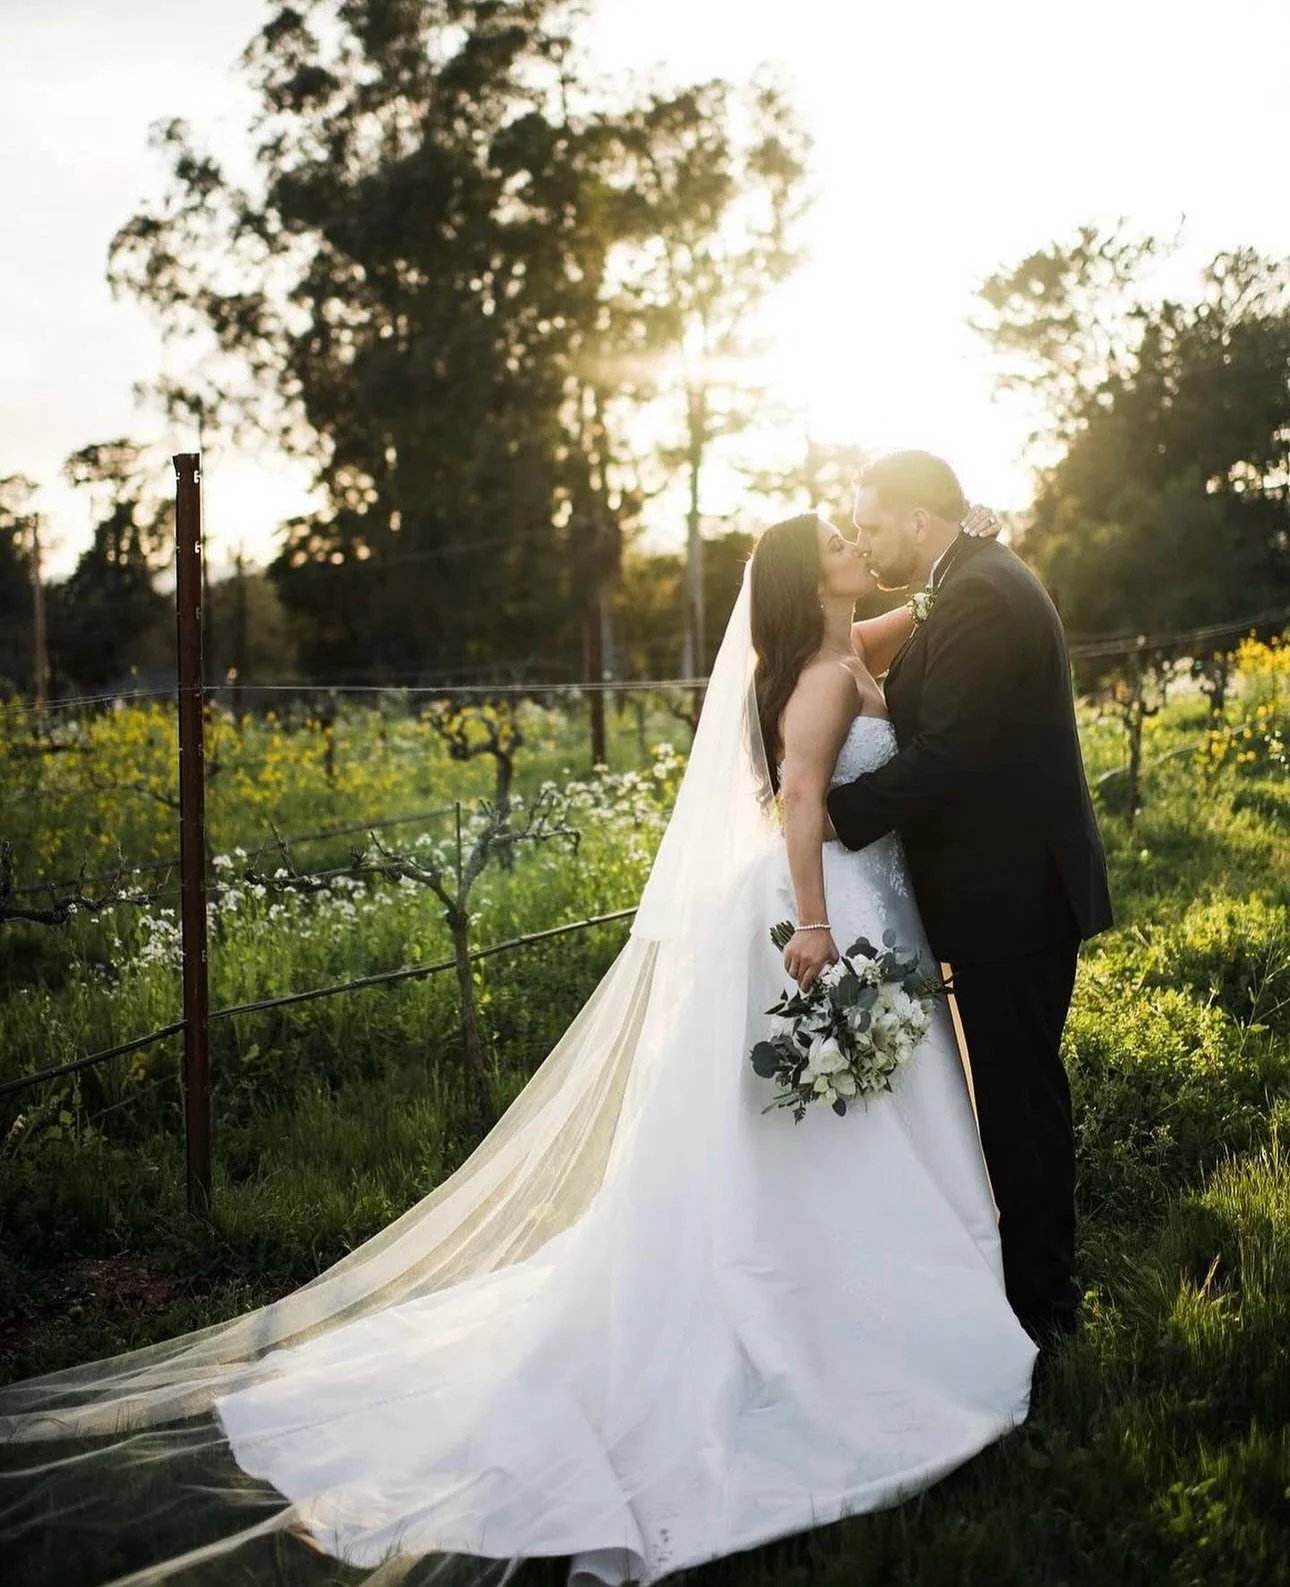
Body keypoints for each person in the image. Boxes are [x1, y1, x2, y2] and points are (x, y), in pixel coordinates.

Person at [0, 504, 1035, 1587]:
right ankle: (834, 1306)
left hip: (862, 900)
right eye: (837, 546)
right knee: (823, 1123)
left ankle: (854, 1279)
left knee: (838, 1118)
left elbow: (914, 613)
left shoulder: (836, 648)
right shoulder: (820, 677)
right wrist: (815, 928)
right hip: (821, 910)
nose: (856, 551)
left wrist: (962, 551)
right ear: (804, 581)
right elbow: (805, 797)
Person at [828, 450, 1113, 1353]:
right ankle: (1030, 1289)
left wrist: (834, 817)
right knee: (1014, 1096)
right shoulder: (962, 579)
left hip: (1015, 898)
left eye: (872, 526)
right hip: (1003, 893)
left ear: (920, 521)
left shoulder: (982, 593)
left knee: (1020, 1105)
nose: (864, 543)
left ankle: (1046, 1313)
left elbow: (948, 753)